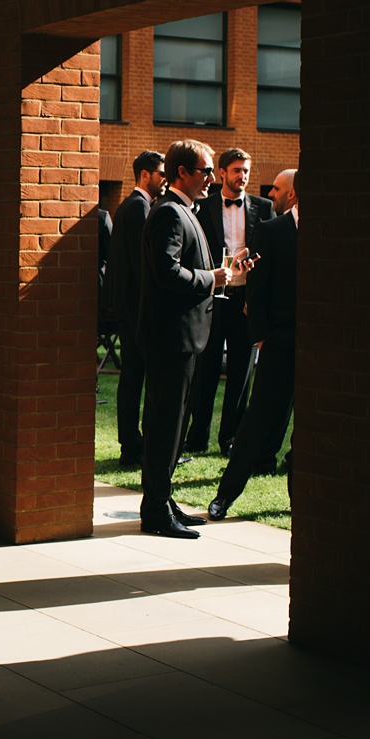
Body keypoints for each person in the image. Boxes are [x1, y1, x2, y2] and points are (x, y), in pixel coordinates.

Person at [137, 139, 242, 539]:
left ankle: (162, 501)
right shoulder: (169, 213)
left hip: (185, 337)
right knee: (165, 425)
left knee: (174, 425)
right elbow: (167, 273)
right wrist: (211, 279)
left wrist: (221, 271)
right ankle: (156, 514)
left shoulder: (185, 211)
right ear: (182, 172)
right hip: (170, 338)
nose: (212, 179)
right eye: (206, 171)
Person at [210, 169, 298, 520]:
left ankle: (298, 503)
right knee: (256, 420)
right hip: (278, 341)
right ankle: (225, 496)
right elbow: (257, 291)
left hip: (317, 349)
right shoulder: (273, 230)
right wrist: (261, 335)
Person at [183, 147, 274, 455]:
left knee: (241, 372)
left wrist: (255, 296)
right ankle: (198, 437)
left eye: (246, 171)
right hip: (212, 296)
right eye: (237, 170)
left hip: (245, 300)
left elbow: (269, 258)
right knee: (205, 369)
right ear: (222, 172)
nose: (242, 176)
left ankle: (230, 439)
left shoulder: (263, 207)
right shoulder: (203, 206)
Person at [100, 150, 165, 471]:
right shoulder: (139, 207)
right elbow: (142, 264)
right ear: (145, 176)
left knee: (132, 377)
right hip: (136, 310)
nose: (164, 180)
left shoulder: (130, 205)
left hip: (126, 308)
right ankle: (133, 445)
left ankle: (132, 443)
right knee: (136, 378)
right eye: (160, 174)